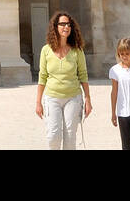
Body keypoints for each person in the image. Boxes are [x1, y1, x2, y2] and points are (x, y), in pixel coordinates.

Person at [34, 11, 91, 150]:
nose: (66, 27)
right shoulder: (46, 50)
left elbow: (83, 75)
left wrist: (88, 99)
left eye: (69, 24)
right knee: (53, 136)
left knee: (70, 137)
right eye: (62, 24)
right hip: (52, 97)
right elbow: (42, 77)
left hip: (73, 97)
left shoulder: (77, 51)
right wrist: (38, 102)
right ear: (55, 27)